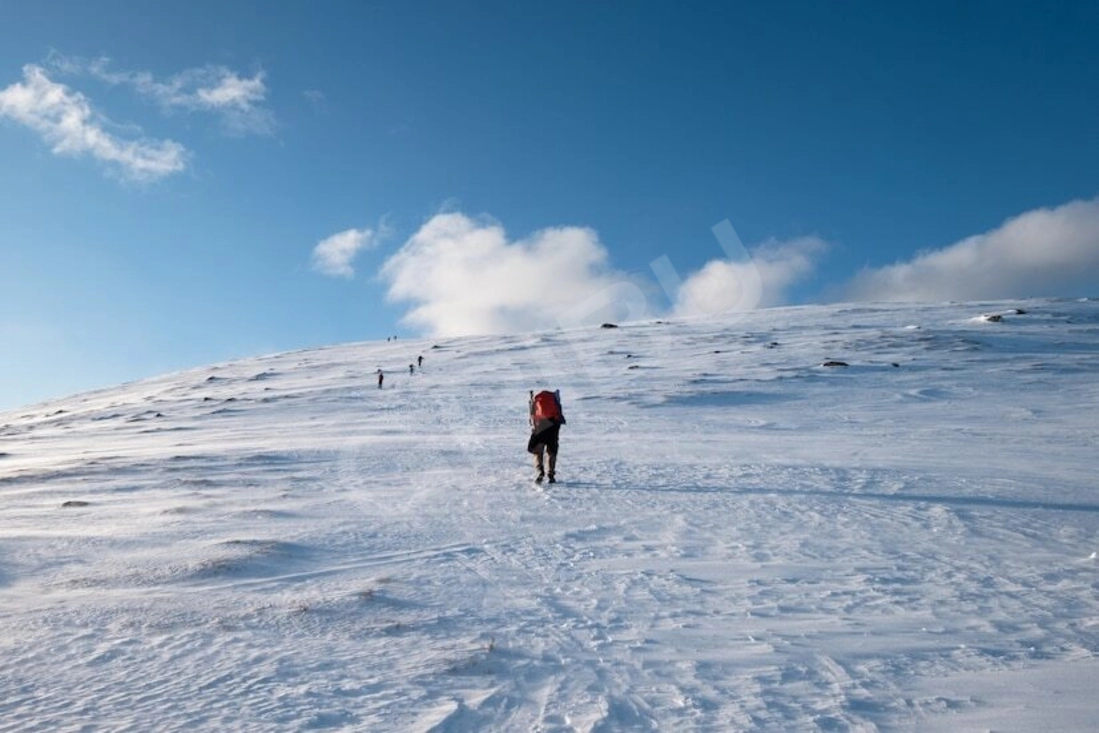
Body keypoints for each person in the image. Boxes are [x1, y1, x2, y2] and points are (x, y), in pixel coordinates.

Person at [527, 389, 566, 484]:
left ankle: (540, 472)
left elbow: (532, 414)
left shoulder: (535, 397)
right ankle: (551, 474)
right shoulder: (554, 397)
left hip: (541, 424)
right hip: (554, 424)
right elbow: (559, 412)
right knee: (552, 450)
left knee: (537, 449)